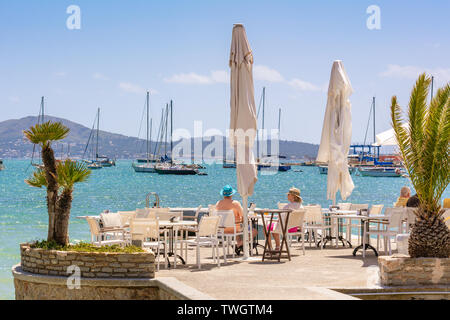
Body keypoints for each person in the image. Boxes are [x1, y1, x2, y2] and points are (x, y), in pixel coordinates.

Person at [215, 185, 258, 255]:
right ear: (231, 194)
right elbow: (244, 216)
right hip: (234, 228)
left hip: (221, 229)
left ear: (223, 194)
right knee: (254, 231)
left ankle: (239, 246)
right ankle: (238, 245)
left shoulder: (218, 203)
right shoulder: (235, 203)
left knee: (236, 226)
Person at [270, 187, 303, 251]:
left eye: (288, 194)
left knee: (267, 228)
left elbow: (280, 218)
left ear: (293, 196)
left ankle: (272, 248)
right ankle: (277, 247)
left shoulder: (287, 206)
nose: (287, 195)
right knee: (273, 227)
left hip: (286, 228)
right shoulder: (301, 206)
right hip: (294, 228)